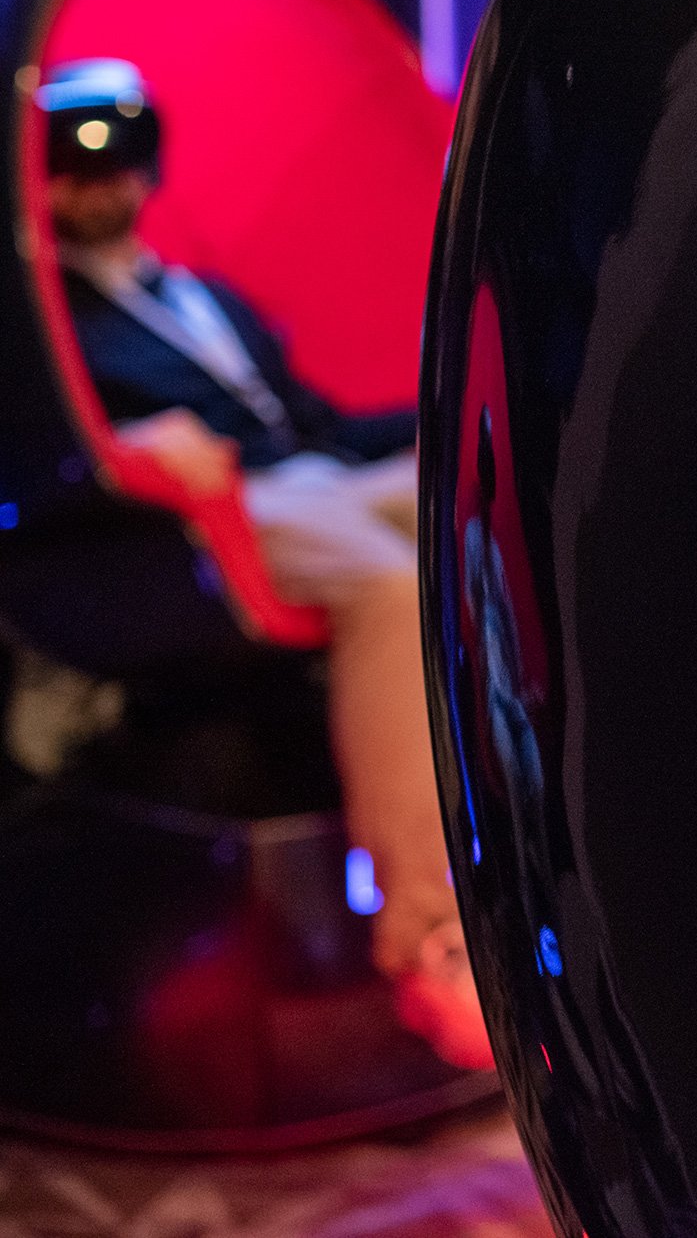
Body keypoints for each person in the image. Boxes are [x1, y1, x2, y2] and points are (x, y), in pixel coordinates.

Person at [37, 58, 489, 1070]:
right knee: (387, 581)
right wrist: (132, 443)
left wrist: (451, 400)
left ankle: (527, 851)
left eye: (119, 155)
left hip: (316, 475)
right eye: (74, 161)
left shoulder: (206, 298)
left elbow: (319, 425)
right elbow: (51, 446)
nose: (100, 181)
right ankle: (426, 929)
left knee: (478, 509)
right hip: (225, 511)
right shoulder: (44, 321)